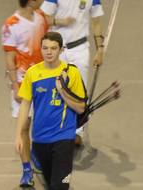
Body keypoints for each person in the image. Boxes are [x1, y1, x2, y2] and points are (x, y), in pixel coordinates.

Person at [15, 32, 86, 190]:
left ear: (61, 50)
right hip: (40, 140)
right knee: (50, 184)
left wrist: (63, 92)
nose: (49, 52)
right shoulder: (32, 73)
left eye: (53, 48)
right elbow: (25, 105)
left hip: (63, 138)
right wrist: (18, 135)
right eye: (45, 48)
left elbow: (81, 107)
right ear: (40, 49)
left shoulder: (71, 73)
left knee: (59, 187)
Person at [40, 0, 106, 145]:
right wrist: (60, 21)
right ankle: (54, 128)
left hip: (80, 49)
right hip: (57, 49)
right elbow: (42, 17)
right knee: (54, 90)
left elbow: (96, 21)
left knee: (79, 92)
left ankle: (77, 131)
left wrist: (100, 49)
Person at [1, 0, 47, 187]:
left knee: (41, 125)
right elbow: (9, 58)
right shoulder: (11, 24)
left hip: (43, 81)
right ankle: (27, 169)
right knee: (24, 127)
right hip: (23, 82)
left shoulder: (41, 17)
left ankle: (35, 152)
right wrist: (15, 87)